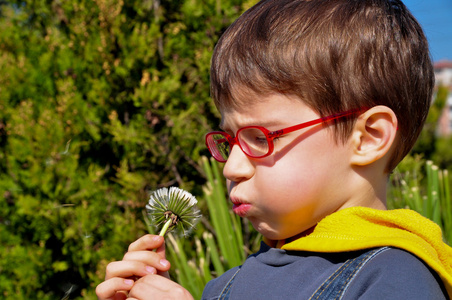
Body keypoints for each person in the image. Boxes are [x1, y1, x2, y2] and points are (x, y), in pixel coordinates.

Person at [96, 0, 452, 299]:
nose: (231, 167)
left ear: (368, 137)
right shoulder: (222, 287)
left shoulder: (394, 281)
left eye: (260, 137)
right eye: (230, 141)